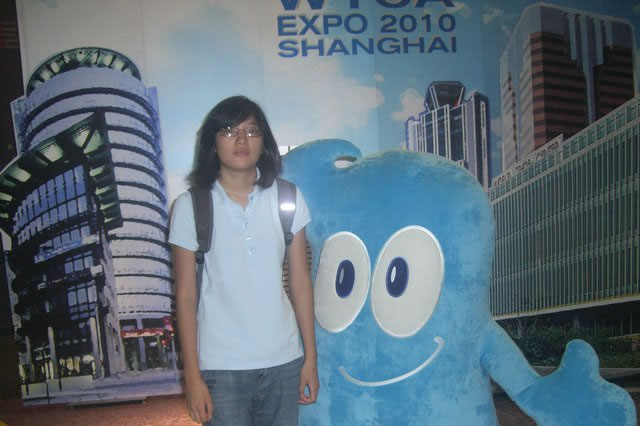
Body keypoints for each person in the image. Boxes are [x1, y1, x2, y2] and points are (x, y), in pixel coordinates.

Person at [169, 96, 318, 425]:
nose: (241, 140)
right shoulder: (190, 206)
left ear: (264, 141)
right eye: (228, 130)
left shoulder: (288, 197)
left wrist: (311, 358)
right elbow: (186, 296)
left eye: (251, 131)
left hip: (284, 361)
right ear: (212, 142)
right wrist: (192, 376)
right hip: (221, 367)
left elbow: (300, 283)